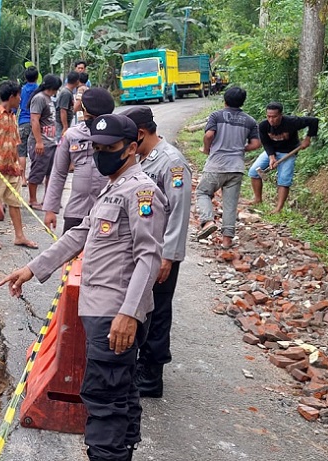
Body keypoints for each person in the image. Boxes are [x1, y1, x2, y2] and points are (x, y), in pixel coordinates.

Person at [0, 114, 167, 461]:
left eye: (110, 148)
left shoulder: (141, 191)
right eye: (97, 148)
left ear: (132, 148)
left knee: (103, 396)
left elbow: (149, 258)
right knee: (120, 391)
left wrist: (128, 313)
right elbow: (80, 235)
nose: (101, 154)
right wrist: (33, 269)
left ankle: (109, 454)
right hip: (101, 310)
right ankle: (122, 450)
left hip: (116, 313)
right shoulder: (113, 186)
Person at [121, 106, 192, 399]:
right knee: (143, 308)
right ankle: (142, 363)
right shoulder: (144, 160)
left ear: (139, 134)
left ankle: (152, 375)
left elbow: (179, 213)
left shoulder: (172, 163)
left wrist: (168, 257)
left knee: (158, 311)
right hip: (145, 251)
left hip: (162, 255)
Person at [196, 86, 261, 249]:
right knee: (230, 204)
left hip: (216, 165)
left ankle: (208, 221)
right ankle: (226, 241)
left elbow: (209, 135)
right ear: (242, 102)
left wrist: (206, 149)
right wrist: (240, 148)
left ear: (224, 100)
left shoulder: (216, 116)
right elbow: (256, 144)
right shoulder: (250, 121)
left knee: (203, 192)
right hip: (236, 167)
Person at [44, 87, 115, 234]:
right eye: (90, 118)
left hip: (108, 212)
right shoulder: (72, 135)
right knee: (70, 255)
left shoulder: (118, 137)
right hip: (77, 211)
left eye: (98, 119)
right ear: (83, 111)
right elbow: (58, 172)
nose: (93, 123)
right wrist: (51, 209)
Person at [0, 80, 39, 250]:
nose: (21, 98)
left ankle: (20, 236)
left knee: (15, 203)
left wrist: (19, 166)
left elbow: (15, 143)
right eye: (19, 95)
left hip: (12, 168)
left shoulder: (13, 116)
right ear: (12, 96)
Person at [247, 101, 318, 214]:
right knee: (253, 172)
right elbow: (266, 143)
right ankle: (257, 199)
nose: (271, 120)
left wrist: (307, 138)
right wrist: (271, 157)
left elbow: (314, 121)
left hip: (288, 152)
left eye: (274, 117)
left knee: (284, 179)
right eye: (268, 116)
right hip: (271, 151)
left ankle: (278, 208)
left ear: (281, 115)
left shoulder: (292, 122)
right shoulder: (263, 125)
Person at [27, 73, 62, 209]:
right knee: (37, 171)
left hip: (51, 142)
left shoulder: (48, 99)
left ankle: (48, 200)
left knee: (50, 173)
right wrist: (39, 141)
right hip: (42, 142)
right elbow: (34, 120)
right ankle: (32, 200)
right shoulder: (39, 98)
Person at [17, 66, 40, 186]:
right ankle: (34, 176)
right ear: (37, 77)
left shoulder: (22, 90)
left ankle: (22, 179)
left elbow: (16, 106)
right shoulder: (39, 89)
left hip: (23, 122)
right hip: (36, 123)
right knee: (36, 150)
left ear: (25, 77)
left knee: (22, 152)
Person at [55, 71, 78, 139]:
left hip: (65, 122)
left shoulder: (68, 92)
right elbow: (63, 110)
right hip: (61, 124)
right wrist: (65, 126)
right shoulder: (66, 93)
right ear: (77, 81)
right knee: (60, 141)